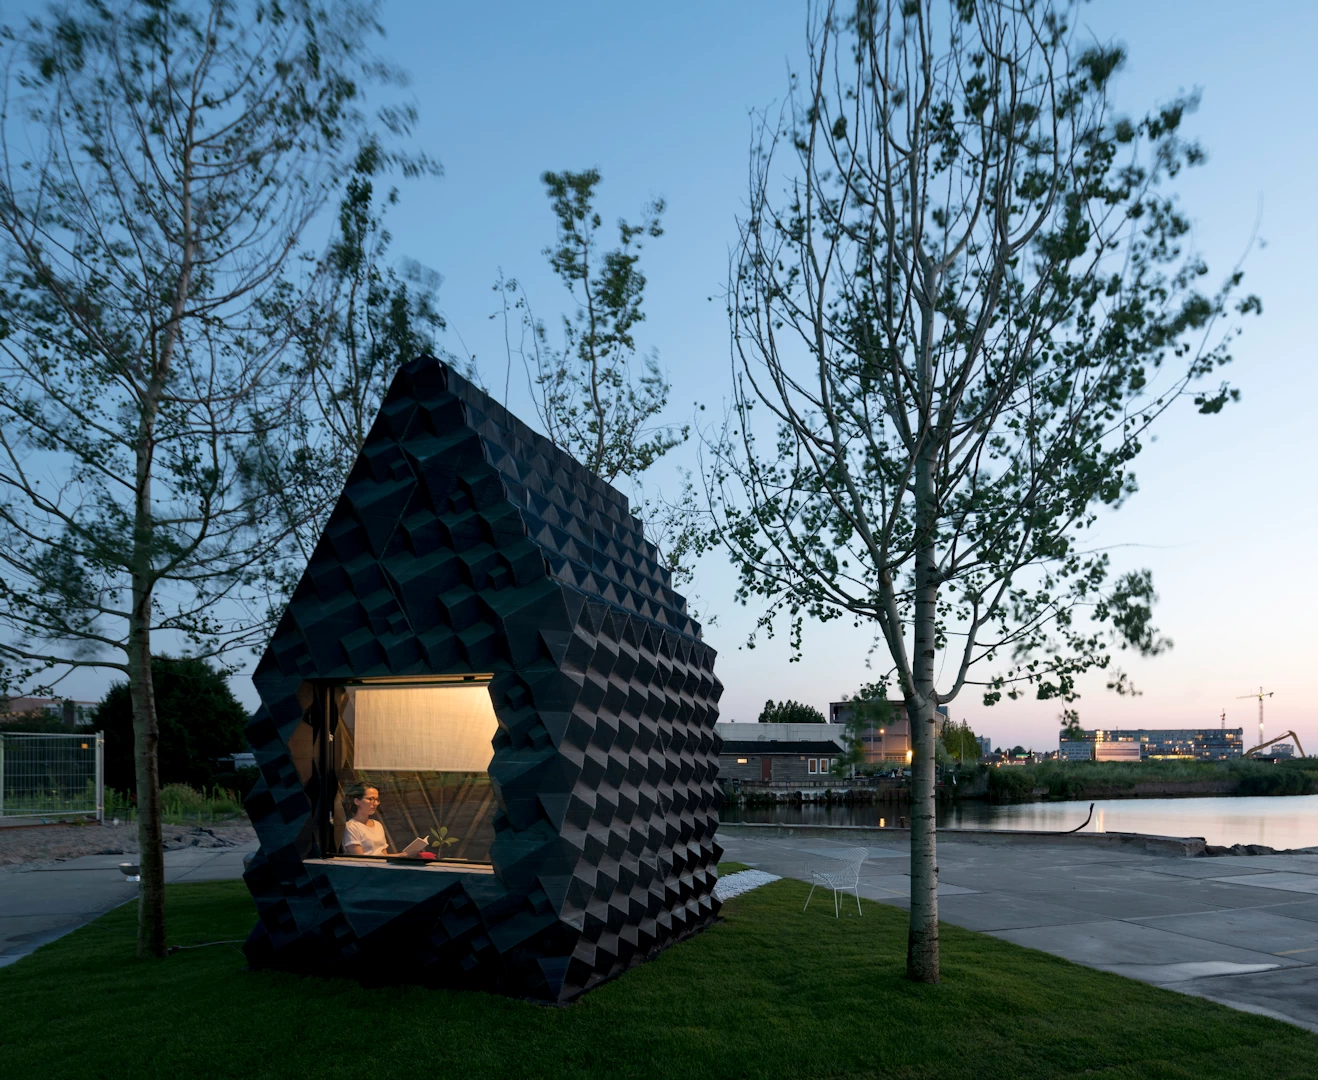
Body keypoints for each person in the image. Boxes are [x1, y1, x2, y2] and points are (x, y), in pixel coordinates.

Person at [342, 784, 391, 856]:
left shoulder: (378, 825)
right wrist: (401, 855)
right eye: (371, 799)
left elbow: (385, 856)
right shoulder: (351, 827)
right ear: (357, 801)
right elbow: (361, 860)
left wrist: (404, 855)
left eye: (377, 799)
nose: (375, 803)